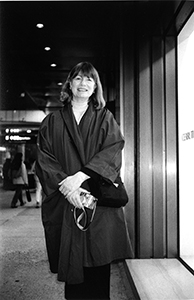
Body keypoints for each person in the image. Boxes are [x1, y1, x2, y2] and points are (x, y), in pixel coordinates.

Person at [36, 62, 133, 300]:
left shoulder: (104, 117)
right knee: (73, 265)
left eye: (89, 79)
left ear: (95, 86)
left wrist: (80, 177)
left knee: (99, 267)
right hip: (67, 199)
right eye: (78, 78)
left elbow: (113, 148)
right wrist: (68, 188)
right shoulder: (52, 121)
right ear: (69, 84)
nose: (83, 83)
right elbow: (44, 159)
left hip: (96, 201)